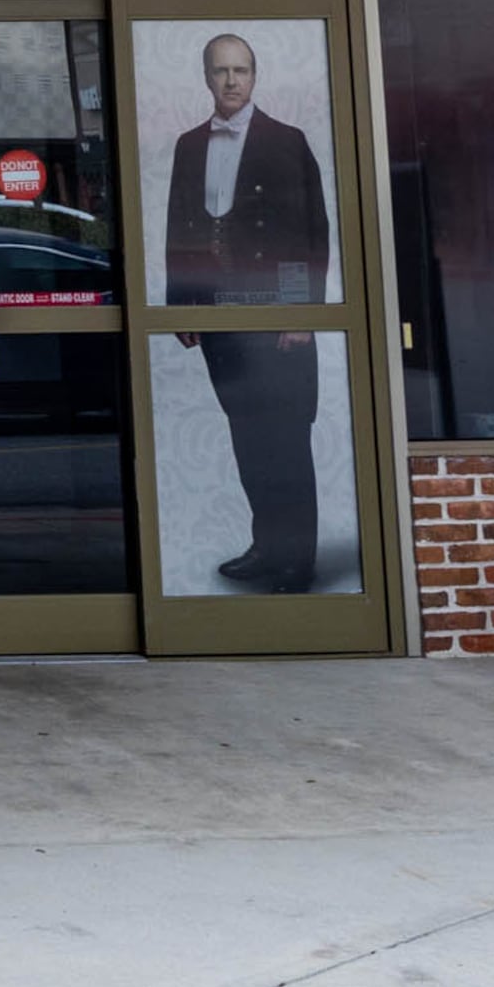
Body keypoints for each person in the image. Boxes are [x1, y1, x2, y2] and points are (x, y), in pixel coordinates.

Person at [160, 34, 331, 596]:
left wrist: (299, 313)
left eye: (241, 70)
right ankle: (267, 546)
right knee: (248, 438)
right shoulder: (189, 145)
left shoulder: (287, 141)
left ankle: (297, 561)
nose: (232, 81)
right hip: (219, 316)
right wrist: (182, 303)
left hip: (276, 316)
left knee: (286, 442)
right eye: (221, 71)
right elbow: (180, 229)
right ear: (206, 78)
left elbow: (310, 233)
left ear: (255, 76)